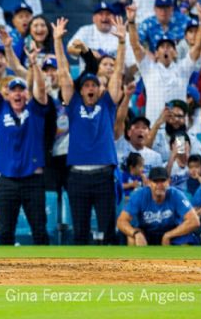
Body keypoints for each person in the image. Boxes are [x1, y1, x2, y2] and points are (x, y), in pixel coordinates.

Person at [54, 16, 125, 245]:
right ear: (81, 91)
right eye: (86, 86)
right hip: (77, 177)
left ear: (99, 89)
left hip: (104, 176)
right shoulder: (73, 105)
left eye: (94, 85)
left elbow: (118, 74)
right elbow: (64, 74)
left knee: (109, 232)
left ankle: (112, 276)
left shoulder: (107, 104)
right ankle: (78, 278)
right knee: (80, 234)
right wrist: (57, 41)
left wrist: (122, 43)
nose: (90, 88)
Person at [0, 43, 50, 245]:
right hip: (7, 180)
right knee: (5, 231)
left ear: (26, 95)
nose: (18, 94)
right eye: (14, 90)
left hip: (33, 179)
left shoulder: (36, 111)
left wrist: (34, 65)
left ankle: (48, 274)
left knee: (39, 230)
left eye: (22, 90)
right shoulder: (0, 109)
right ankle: (2, 274)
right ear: (8, 94)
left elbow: (41, 89)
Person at [116, 166, 200, 246]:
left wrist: (168, 235)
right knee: (132, 237)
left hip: (171, 231)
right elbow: (121, 221)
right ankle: (136, 261)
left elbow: (194, 221)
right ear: (149, 183)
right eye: (155, 181)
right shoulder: (139, 195)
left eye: (163, 181)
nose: (159, 185)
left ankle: (182, 261)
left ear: (168, 182)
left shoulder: (176, 195)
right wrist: (136, 233)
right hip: (147, 233)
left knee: (185, 241)